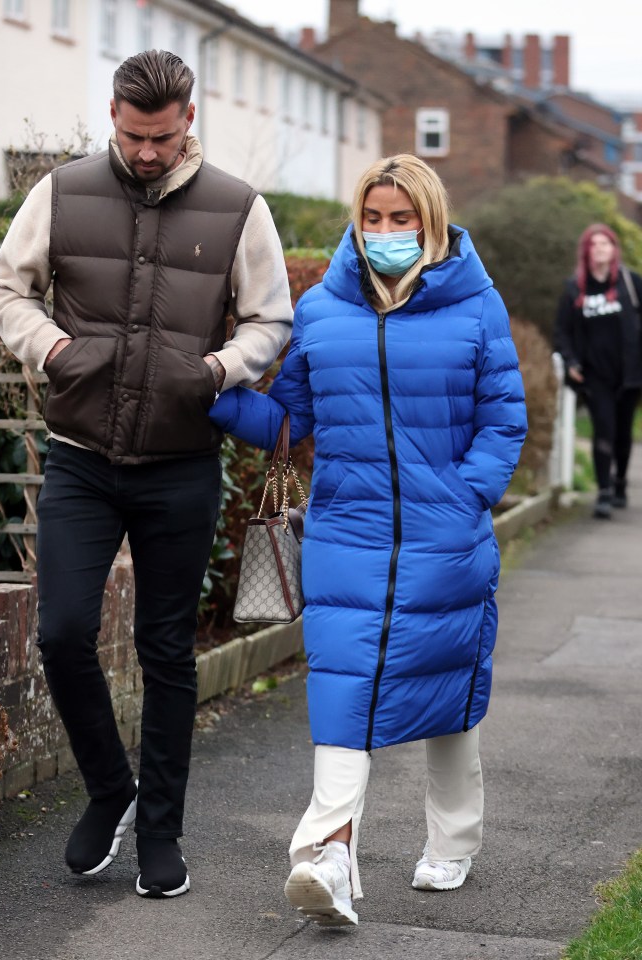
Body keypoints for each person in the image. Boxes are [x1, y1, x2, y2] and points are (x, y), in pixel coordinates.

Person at [0, 50, 293, 898]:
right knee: (60, 633)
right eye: (130, 135)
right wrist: (52, 348)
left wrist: (219, 371)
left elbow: (271, 319)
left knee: (166, 652)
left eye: (160, 137)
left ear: (187, 118)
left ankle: (160, 828)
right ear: (112, 116)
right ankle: (108, 787)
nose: (145, 153)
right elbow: (7, 290)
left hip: (181, 466)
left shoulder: (238, 208)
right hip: (82, 460)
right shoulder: (63, 191)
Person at [209, 154, 527, 926]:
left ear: (432, 219)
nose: (385, 232)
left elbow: (503, 416)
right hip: (345, 533)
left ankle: (453, 843)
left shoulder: (477, 306)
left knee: (447, 692)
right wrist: (211, 395)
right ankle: (326, 858)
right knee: (343, 692)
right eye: (373, 217)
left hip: (442, 533)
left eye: (402, 218)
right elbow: (292, 421)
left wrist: (467, 495)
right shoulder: (323, 309)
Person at [555, 223, 642, 518]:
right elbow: (562, 332)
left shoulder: (630, 283)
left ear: (614, 250)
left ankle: (619, 483)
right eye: (594, 244)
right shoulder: (574, 288)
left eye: (605, 244)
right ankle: (604, 490)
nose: (600, 249)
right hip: (594, 376)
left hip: (629, 375)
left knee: (622, 433)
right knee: (603, 428)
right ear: (587, 251)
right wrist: (571, 362)